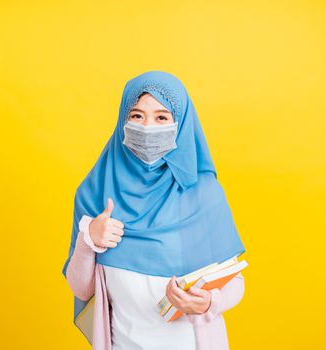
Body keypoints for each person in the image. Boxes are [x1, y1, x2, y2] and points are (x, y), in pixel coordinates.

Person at [62, 70, 246, 350]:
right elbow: (81, 290)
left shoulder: (204, 194)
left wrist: (210, 302)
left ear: (180, 124)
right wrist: (89, 239)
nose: (147, 127)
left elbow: (235, 281)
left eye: (161, 117)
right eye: (136, 116)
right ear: (123, 120)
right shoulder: (94, 194)